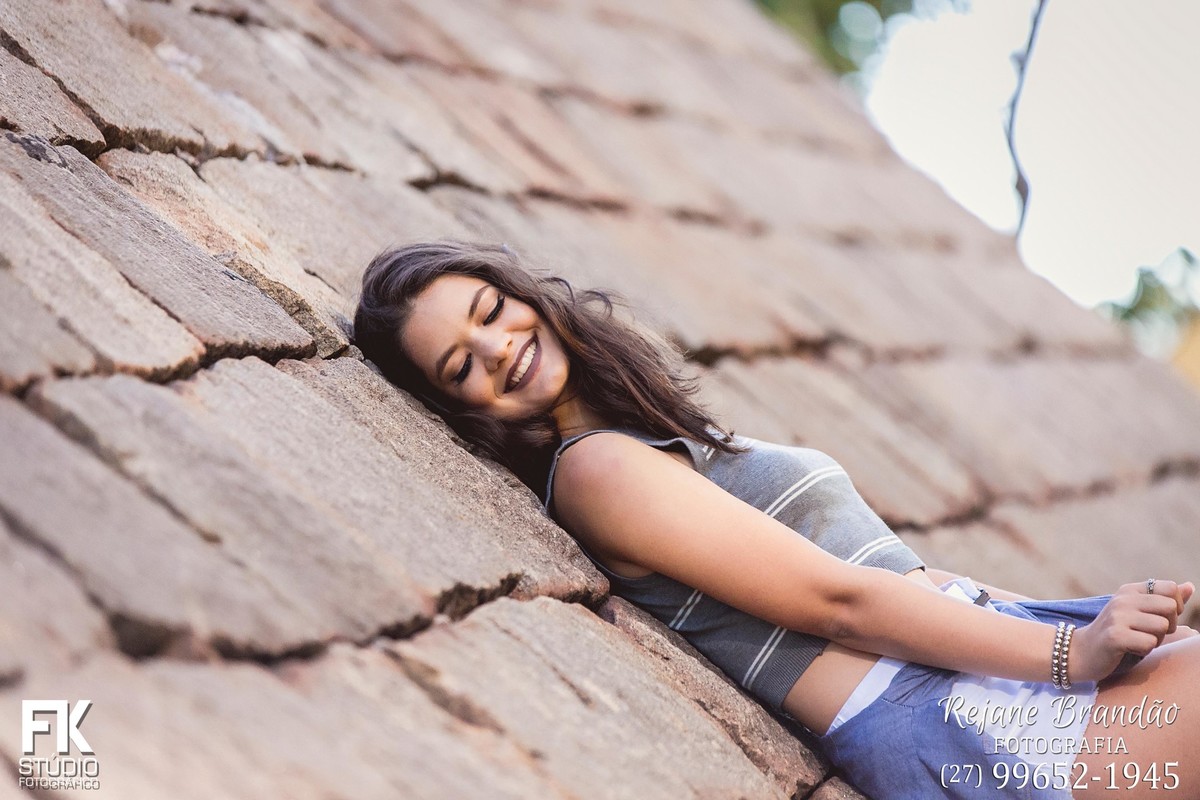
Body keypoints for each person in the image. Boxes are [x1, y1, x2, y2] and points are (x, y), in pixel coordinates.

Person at [354, 240, 1199, 799]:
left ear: (519, 293)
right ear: (457, 406)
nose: (498, 348)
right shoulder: (596, 469)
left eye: (490, 312)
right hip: (947, 706)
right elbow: (839, 601)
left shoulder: (637, 439)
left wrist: (1078, 621)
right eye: (461, 364)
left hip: (974, 661)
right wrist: (1067, 654)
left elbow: (895, 576)